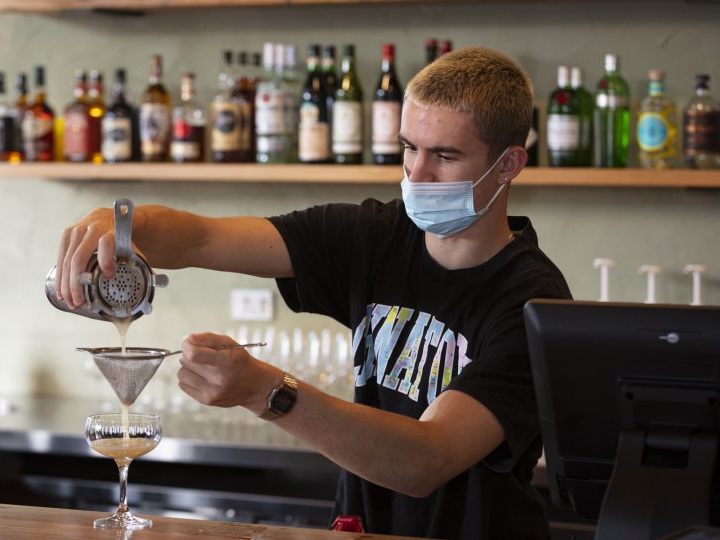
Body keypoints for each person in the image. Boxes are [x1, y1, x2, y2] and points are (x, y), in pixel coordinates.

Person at [55, 47, 571, 539]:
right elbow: (204, 236)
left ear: (507, 165)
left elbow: (426, 459)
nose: (416, 174)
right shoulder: (374, 236)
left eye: (445, 155)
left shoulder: (533, 302)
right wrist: (124, 223)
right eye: (409, 148)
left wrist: (265, 391)